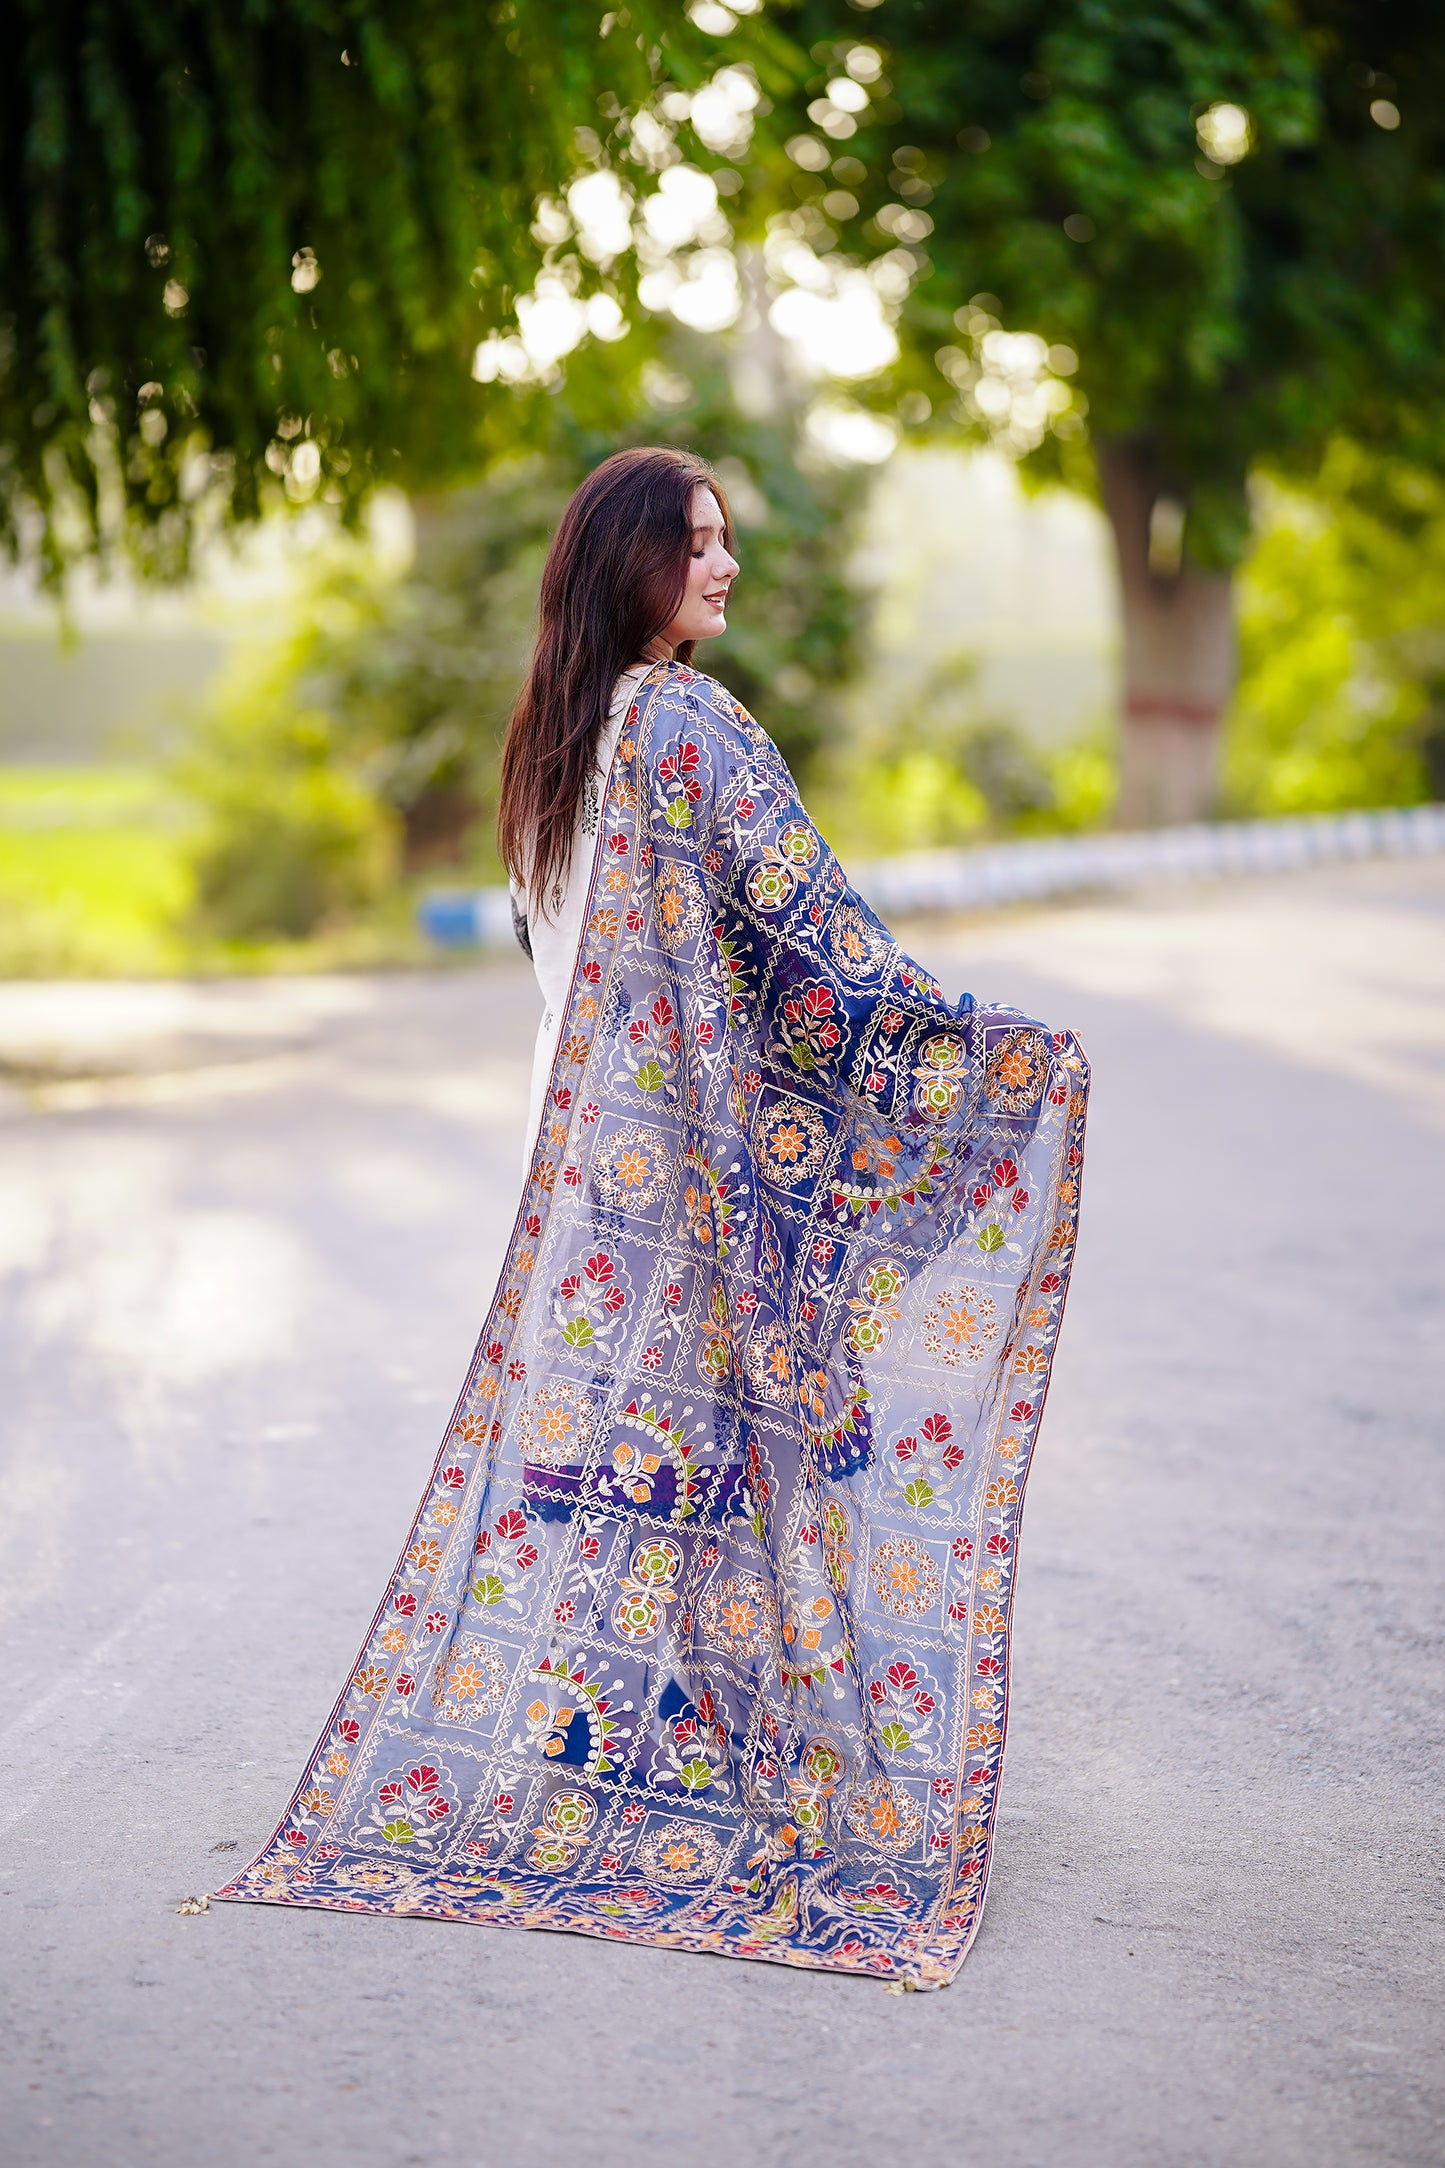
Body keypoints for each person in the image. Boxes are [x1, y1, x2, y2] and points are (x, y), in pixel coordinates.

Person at [217, 446, 1089, 1988]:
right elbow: (824, 955)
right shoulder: (684, 726)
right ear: (631, 565)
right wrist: (994, 1052)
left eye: (727, 540)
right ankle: (755, 1775)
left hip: (582, 1190)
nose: (726, 567)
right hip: (689, 1187)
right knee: (754, 1461)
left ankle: (596, 1760)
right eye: (698, 544)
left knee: (629, 1469)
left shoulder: (561, 740)